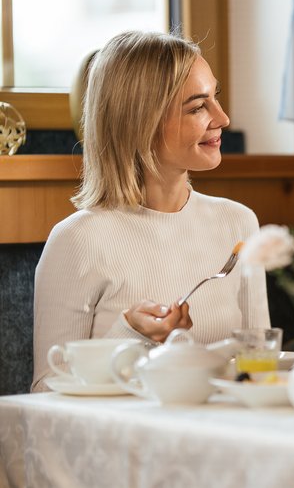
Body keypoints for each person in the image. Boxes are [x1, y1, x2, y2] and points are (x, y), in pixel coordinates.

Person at [32, 31, 270, 392]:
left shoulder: (239, 223)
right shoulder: (77, 240)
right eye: (197, 107)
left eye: (215, 97)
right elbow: (48, 391)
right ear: (141, 123)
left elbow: (258, 364)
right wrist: (131, 334)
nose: (222, 118)